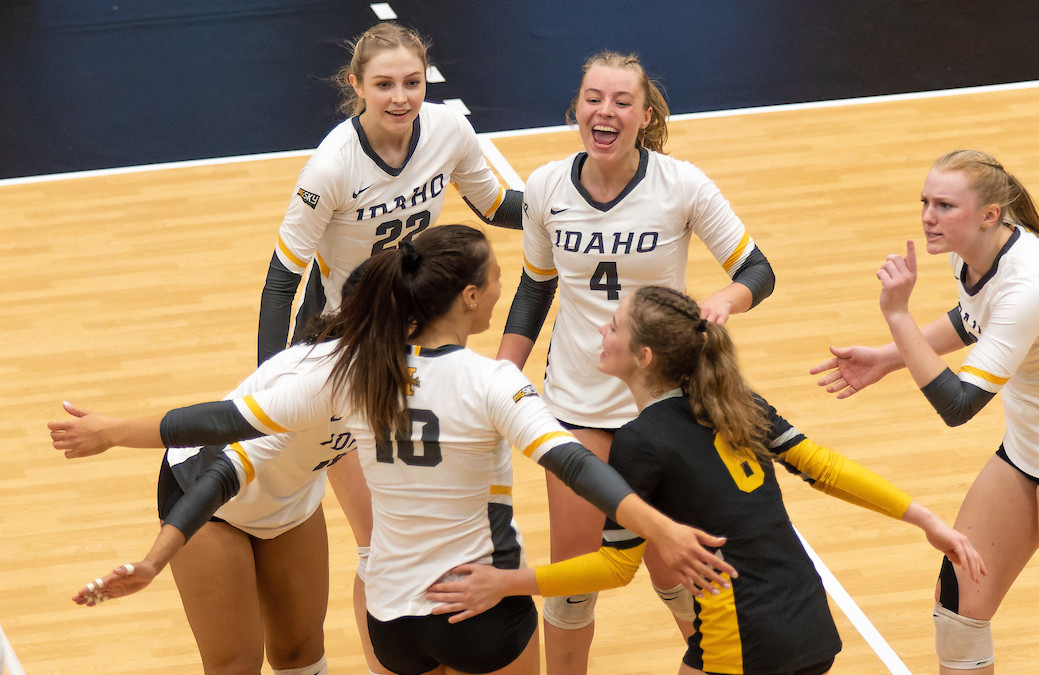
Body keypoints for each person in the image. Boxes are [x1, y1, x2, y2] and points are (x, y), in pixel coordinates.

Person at [52, 225, 736, 675]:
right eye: (499, 277)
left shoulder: (351, 372)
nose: (510, 284)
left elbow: (214, 419)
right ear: (468, 299)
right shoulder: (461, 377)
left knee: (303, 645)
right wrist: (661, 526)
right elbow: (576, 465)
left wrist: (111, 433)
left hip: (389, 615)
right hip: (467, 595)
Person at [427, 285, 985, 675]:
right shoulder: (738, 403)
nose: (603, 328)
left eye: (614, 325)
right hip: (806, 615)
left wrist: (507, 582)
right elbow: (827, 467)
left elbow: (617, 568)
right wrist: (924, 518)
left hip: (742, 636)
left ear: (642, 356)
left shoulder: (640, 442)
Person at [810, 150, 1039, 674]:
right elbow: (973, 319)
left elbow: (960, 405)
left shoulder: (1029, 280)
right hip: (1026, 453)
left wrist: (897, 316)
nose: (928, 216)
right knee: (958, 608)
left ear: (991, 214)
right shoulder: (971, 254)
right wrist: (887, 357)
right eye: (925, 201)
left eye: (945, 205)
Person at [497, 51, 776, 673]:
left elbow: (758, 270)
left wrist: (725, 300)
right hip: (576, 407)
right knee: (572, 585)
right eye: (594, 98)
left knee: (674, 565)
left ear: (645, 116)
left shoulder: (682, 185)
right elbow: (535, 286)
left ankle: (719, 664)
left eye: (623, 102)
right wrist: (501, 370)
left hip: (664, 407)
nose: (607, 111)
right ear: (576, 108)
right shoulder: (544, 187)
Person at [257, 23, 522, 666]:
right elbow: (281, 280)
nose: (400, 97)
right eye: (384, 85)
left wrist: (579, 202)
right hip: (341, 354)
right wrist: (271, 382)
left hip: (414, 344)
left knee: (420, 530)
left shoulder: (448, 132)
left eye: (412, 82)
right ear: (357, 87)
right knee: (379, 542)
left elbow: (496, 205)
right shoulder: (332, 166)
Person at [59, 264, 389, 675]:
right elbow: (220, 471)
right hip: (210, 496)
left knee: (300, 651)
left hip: (289, 496)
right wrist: (152, 562)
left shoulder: (408, 372)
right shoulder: (313, 386)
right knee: (235, 665)